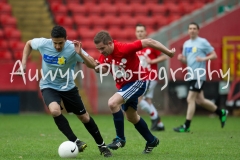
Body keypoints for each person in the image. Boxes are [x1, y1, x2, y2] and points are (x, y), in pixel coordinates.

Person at [16, 26, 112, 157]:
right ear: (51, 40)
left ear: (66, 40)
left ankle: (102, 146)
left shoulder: (73, 48)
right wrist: (23, 64)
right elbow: (28, 44)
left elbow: (93, 66)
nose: (57, 46)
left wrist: (80, 53)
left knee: (84, 117)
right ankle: (75, 141)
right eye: (55, 43)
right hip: (48, 85)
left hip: (68, 87)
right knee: (55, 111)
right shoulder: (44, 43)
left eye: (60, 43)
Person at [93, 31, 175, 153]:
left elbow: (149, 42)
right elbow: (105, 69)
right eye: (98, 49)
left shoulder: (124, 48)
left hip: (138, 81)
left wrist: (168, 52)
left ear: (110, 43)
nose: (101, 52)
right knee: (131, 117)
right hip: (125, 86)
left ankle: (120, 139)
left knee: (112, 103)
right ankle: (151, 140)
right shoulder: (105, 54)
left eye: (102, 48)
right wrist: (97, 67)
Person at [174, 22, 228, 132]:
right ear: (188, 31)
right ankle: (221, 112)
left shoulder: (202, 42)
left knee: (190, 99)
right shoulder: (186, 44)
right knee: (200, 100)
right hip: (190, 75)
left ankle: (186, 126)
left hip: (199, 75)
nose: (192, 30)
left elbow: (214, 55)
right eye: (190, 28)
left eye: (194, 28)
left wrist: (203, 59)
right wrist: (181, 59)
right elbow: (187, 60)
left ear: (198, 30)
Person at [135, 24, 168, 131]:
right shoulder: (136, 46)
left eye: (141, 31)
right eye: (138, 31)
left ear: (146, 33)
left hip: (149, 76)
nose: (140, 33)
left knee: (138, 99)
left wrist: (152, 61)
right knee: (148, 100)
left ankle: (155, 117)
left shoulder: (151, 44)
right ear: (135, 33)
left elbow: (164, 56)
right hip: (142, 77)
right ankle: (160, 124)